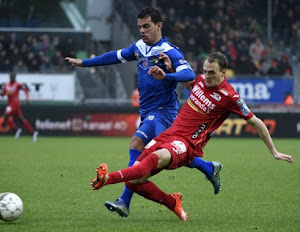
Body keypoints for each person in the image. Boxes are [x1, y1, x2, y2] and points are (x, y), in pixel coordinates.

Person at [90, 52, 294, 221]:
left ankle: (106, 179)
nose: (207, 76)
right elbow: (189, 83)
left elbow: (255, 122)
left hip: (186, 144)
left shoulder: (230, 96)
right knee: (135, 178)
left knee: (152, 160)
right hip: (170, 135)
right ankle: (173, 203)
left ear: (223, 73)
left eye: (212, 73)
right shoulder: (199, 82)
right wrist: (170, 69)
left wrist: (274, 151)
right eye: (205, 71)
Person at [66, 7, 222, 218]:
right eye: (139, 27)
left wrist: (168, 74)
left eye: (146, 26)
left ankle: (125, 200)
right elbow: (115, 56)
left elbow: (187, 74)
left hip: (164, 112)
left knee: (150, 150)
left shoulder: (169, 50)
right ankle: (207, 168)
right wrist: (85, 63)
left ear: (159, 26)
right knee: (157, 152)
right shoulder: (139, 47)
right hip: (148, 112)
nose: (142, 31)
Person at [0, 72, 38, 142]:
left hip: (15, 105)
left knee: (5, 116)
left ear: (15, 77)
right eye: (11, 76)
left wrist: (27, 98)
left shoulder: (17, 84)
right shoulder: (6, 85)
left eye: (13, 76)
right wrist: (2, 92)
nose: (12, 78)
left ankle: (18, 130)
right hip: (11, 105)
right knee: (20, 120)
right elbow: (2, 94)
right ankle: (32, 132)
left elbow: (26, 89)